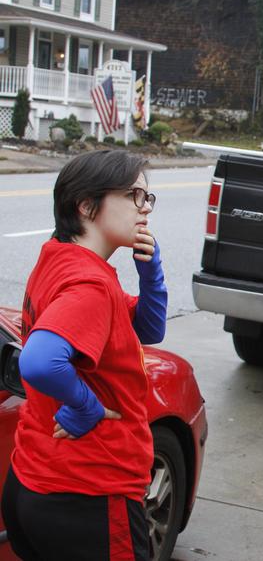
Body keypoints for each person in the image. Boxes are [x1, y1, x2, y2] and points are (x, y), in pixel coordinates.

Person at [2, 150, 166, 560]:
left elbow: (148, 329)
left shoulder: (58, 258)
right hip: (89, 492)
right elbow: (38, 361)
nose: (144, 208)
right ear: (87, 205)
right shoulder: (90, 284)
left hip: (34, 478)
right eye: (133, 195)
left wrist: (152, 274)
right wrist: (86, 405)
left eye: (148, 198)